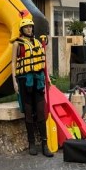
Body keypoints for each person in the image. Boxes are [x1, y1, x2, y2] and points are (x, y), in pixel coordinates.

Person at [10, 18, 52, 157]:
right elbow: (13, 64)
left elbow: (44, 61)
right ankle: (31, 143)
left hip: (38, 80)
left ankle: (45, 144)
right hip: (24, 81)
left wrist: (48, 78)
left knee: (40, 111)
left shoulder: (38, 42)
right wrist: (14, 82)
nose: (29, 29)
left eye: (30, 27)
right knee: (28, 112)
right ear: (22, 30)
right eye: (26, 27)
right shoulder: (17, 44)